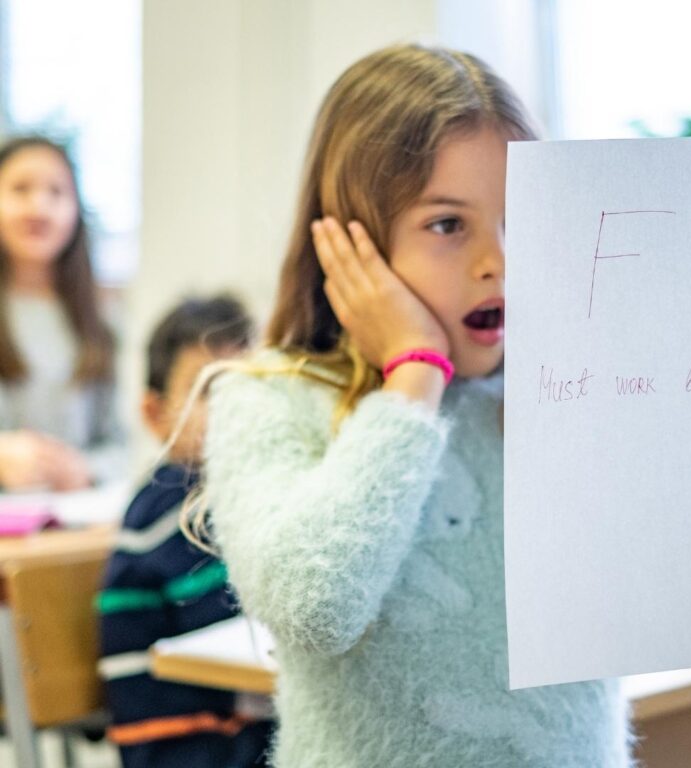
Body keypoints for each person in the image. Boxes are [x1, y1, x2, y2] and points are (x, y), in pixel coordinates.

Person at [201, 45, 634, 767]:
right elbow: (315, 608)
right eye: (448, 225)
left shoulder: (560, 393)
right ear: (354, 244)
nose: (498, 261)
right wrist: (413, 375)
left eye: (520, 219)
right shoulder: (267, 400)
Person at [97, 295, 274, 768]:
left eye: (251, 385)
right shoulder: (167, 510)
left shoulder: (248, 490)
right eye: (210, 389)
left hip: (243, 734)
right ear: (155, 415)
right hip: (189, 749)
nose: (236, 408)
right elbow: (242, 630)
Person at [0, 135, 123, 490]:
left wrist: (84, 469)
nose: (39, 207)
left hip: (75, 517)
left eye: (56, 192)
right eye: (20, 189)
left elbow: (126, 445)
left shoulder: (103, 320)